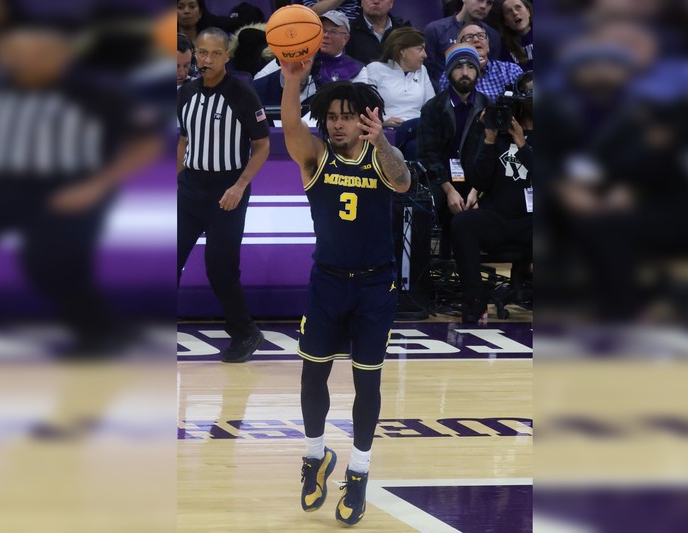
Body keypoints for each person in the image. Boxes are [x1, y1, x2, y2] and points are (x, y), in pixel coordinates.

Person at [0, 23, 162, 354]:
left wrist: (97, 186)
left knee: (50, 262)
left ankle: (100, 331)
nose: (23, 61)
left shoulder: (100, 93)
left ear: (61, 56)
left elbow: (146, 143)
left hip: (69, 185)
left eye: (36, 54)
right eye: (15, 54)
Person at [280, 59, 410, 525]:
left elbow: (403, 182)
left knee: (366, 381)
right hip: (328, 283)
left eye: (347, 116)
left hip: (375, 285)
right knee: (312, 375)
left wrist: (384, 142)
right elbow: (290, 126)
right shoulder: (316, 157)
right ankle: (315, 457)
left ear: (365, 119)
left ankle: (359, 471)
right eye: (332, 117)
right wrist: (292, 79)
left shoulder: (382, 156)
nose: (337, 124)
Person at [177, 27, 270, 362]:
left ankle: (245, 332)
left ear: (227, 56)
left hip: (227, 191)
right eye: (203, 52)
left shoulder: (242, 93)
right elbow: (184, 139)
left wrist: (240, 185)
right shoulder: (185, 93)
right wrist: (176, 178)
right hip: (190, 189)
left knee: (220, 270)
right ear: (195, 54)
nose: (208, 59)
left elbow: (262, 145)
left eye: (216, 53)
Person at [454, 70, 532, 322]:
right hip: (497, 215)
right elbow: (478, 180)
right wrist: (488, 141)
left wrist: (523, 144)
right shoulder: (498, 131)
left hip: (532, 220)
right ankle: (475, 300)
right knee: (464, 223)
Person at [418, 44, 489, 260]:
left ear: (478, 71)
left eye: (471, 67)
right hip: (441, 178)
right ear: (449, 72)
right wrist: (449, 189)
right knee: (436, 201)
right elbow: (429, 154)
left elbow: (491, 154)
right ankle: (439, 262)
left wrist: (477, 190)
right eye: (459, 67)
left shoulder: (488, 107)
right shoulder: (433, 107)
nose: (465, 72)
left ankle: (472, 264)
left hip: (476, 179)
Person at [253, 11, 367, 105]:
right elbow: (259, 80)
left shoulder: (357, 69)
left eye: (333, 31)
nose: (325, 35)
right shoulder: (299, 56)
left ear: (346, 39)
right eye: (322, 30)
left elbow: (360, 104)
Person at [366, 27, 435, 158]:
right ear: (402, 51)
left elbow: (432, 107)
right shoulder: (375, 69)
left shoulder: (422, 71)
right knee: (419, 126)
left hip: (418, 131)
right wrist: (383, 121)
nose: (425, 55)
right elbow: (365, 107)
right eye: (420, 49)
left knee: (413, 146)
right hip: (388, 130)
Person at [423, 0, 502, 85]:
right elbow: (426, 72)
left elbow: (493, 70)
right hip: (445, 89)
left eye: (489, 2)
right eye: (479, 0)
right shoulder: (435, 30)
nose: (483, 6)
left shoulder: (493, 35)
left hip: (484, 89)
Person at [438, 23, 523, 102]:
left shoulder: (511, 70)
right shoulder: (450, 76)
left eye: (481, 36)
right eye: (468, 37)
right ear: (459, 47)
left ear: (488, 45)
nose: (476, 39)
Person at [345, 0, 410, 65]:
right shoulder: (347, 31)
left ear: (391, 3)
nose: (376, 1)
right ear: (362, 2)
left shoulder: (405, 32)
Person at [498, 0, 533, 71]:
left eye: (518, 8)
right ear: (505, 22)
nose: (515, 13)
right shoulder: (503, 48)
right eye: (509, 11)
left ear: (528, 12)